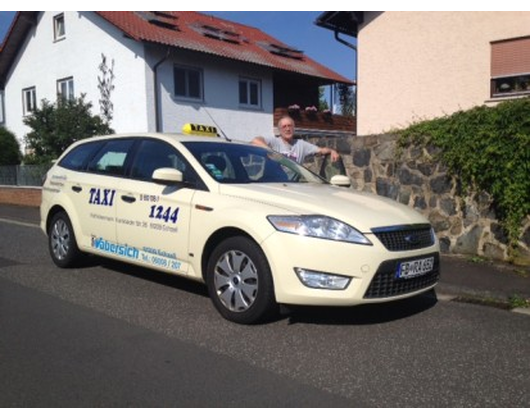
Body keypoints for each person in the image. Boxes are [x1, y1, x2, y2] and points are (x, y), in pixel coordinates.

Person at [251, 116, 340, 165]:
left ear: (294, 128)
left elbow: (321, 150)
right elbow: (255, 141)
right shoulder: (274, 142)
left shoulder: (301, 144)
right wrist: (271, 151)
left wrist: (332, 151)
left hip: (295, 186)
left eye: (290, 126)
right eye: (284, 126)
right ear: (279, 130)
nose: (287, 129)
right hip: (276, 183)